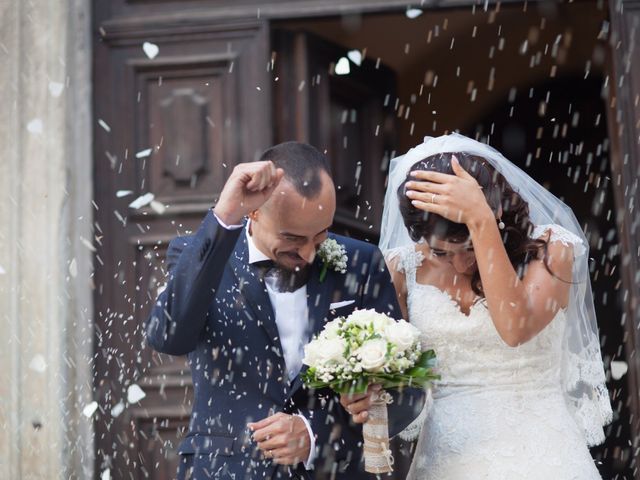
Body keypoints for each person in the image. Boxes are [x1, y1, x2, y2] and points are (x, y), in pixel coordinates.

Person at [145, 141, 423, 479]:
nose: (307, 254)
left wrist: (315, 434)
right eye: (292, 238)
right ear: (254, 211)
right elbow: (168, 336)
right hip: (227, 469)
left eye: (319, 236)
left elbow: (407, 392)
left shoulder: (361, 263)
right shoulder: (199, 256)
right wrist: (224, 216)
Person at [340, 133, 612, 478]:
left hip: (544, 452)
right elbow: (399, 382)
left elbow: (515, 328)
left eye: (467, 248)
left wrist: (481, 222)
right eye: (441, 252)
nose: (459, 265)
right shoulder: (402, 269)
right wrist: (366, 392)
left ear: (496, 211)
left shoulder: (551, 249)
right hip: (447, 457)